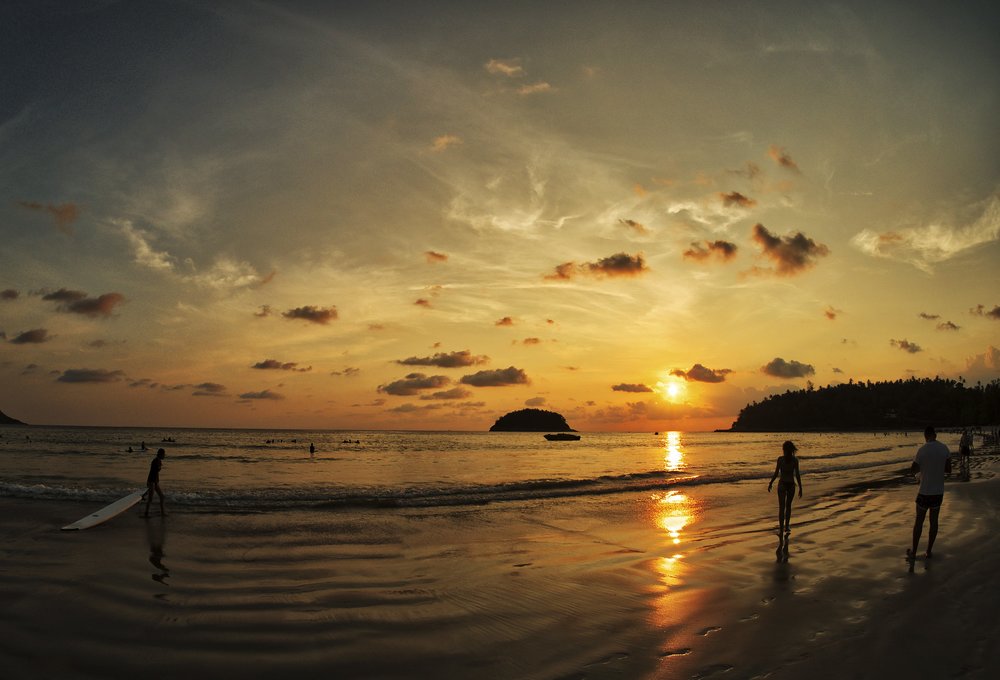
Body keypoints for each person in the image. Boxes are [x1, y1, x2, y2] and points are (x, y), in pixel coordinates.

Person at [908, 426, 951, 560]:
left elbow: (913, 469)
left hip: (924, 491)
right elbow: (948, 470)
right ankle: (928, 551)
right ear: (935, 435)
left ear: (925, 436)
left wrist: (920, 474)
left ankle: (914, 552)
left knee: (919, 522)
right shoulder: (944, 448)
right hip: (938, 492)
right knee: (934, 522)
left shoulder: (922, 450)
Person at [768, 440, 803, 535]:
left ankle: (782, 527)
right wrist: (800, 487)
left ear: (784, 449)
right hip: (790, 485)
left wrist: (771, 483)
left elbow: (776, 473)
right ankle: (786, 526)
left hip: (783, 484)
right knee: (788, 507)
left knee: (782, 507)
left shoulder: (781, 459)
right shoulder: (794, 460)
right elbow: (797, 475)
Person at [143, 448, 167, 517]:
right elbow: (154, 471)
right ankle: (146, 513)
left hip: (155, 481)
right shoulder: (155, 461)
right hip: (152, 481)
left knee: (162, 497)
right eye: (164, 454)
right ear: (160, 454)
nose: (164, 456)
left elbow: (156, 471)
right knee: (150, 498)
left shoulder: (158, 461)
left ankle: (162, 513)